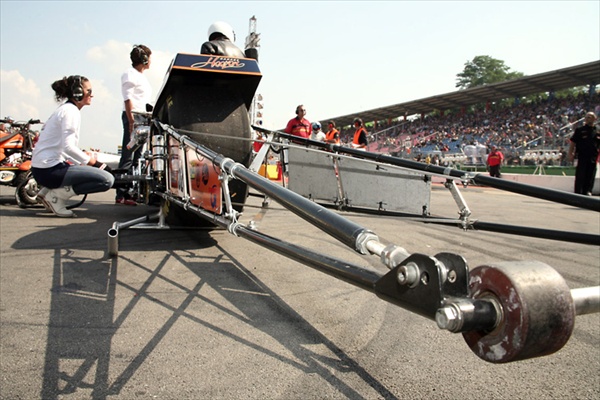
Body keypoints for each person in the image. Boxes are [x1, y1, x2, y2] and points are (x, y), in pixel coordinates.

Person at [31, 75, 114, 217]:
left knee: (93, 173)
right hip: (49, 170)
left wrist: (84, 163)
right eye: (89, 91)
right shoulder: (71, 112)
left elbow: (65, 150)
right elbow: (68, 148)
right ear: (78, 92)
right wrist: (96, 164)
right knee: (106, 180)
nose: (91, 94)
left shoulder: (66, 109)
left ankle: (46, 192)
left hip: (43, 168)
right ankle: (56, 197)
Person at [116, 44, 153, 205]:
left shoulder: (141, 77)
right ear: (144, 59)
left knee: (137, 157)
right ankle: (121, 194)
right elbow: (127, 98)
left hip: (142, 118)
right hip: (134, 118)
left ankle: (131, 191)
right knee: (128, 155)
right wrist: (131, 121)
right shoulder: (129, 74)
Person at [568, 111, 599, 195]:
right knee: (580, 175)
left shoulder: (597, 131)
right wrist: (570, 154)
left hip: (593, 157)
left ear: (594, 119)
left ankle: (588, 191)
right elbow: (573, 142)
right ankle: (578, 192)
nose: (588, 118)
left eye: (590, 117)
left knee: (590, 175)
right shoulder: (580, 130)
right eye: (587, 117)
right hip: (582, 156)